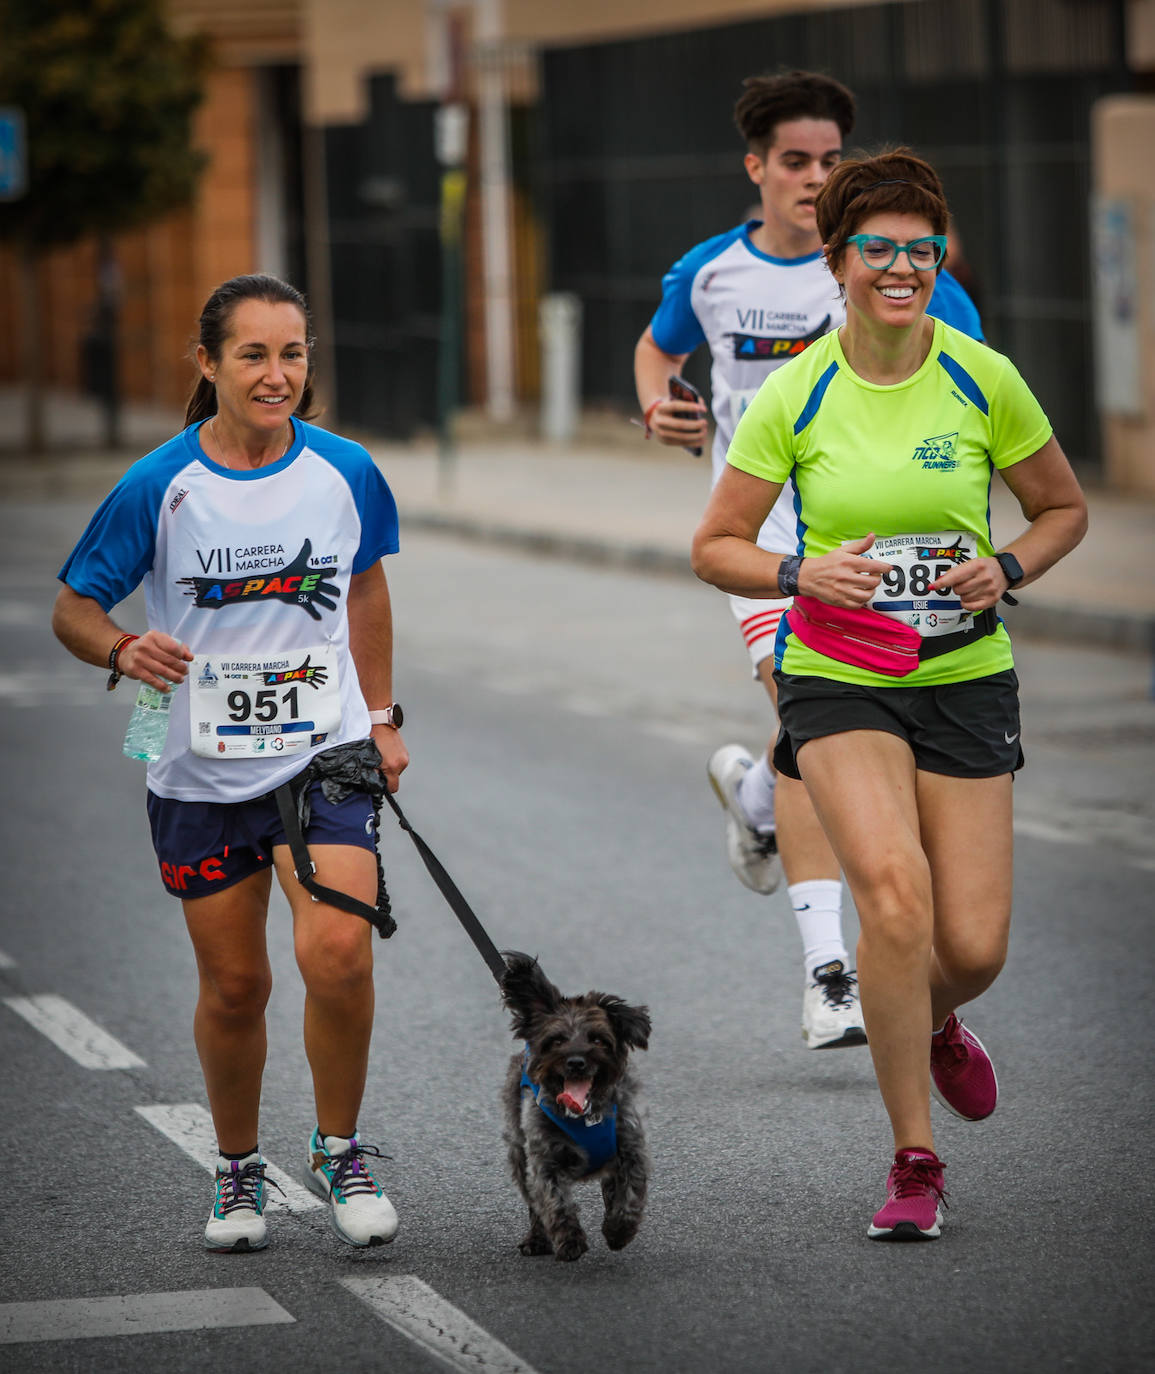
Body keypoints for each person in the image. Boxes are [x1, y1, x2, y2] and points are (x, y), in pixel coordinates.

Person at [690, 148, 1086, 1239]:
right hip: (838, 675)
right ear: (840, 260)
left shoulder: (981, 376)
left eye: (921, 248)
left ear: (938, 257)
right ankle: (916, 1161)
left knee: (974, 947)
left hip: (964, 676)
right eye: (880, 249)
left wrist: (1005, 567)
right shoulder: (796, 392)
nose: (902, 267)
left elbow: (1061, 510)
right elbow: (715, 544)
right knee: (896, 903)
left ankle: (934, 1018)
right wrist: (795, 572)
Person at [53, 274, 409, 1253]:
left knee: (338, 949)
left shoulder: (345, 471)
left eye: (292, 352)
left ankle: (339, 1149)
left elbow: (367, 588)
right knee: (237, 986)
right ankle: (238, 1168)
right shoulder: (158, 485)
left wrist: (379, 717)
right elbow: (74, 609)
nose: (276, 373)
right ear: (207, 364)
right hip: (199, 771)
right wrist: (123, 648)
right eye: (253, 354)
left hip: (322, 750)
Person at [634, 70, 983, 1052]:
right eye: (797, 161)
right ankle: (829, 974)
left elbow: (976, 389)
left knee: (852, 751)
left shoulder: (898, 266)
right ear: (757, 168)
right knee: (815, 718)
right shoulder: (710, 273)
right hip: (767, 546)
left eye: (834, 160)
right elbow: (658, 352)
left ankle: (754, 795)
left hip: (886, 547)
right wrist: (662, 406)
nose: (817, 176)